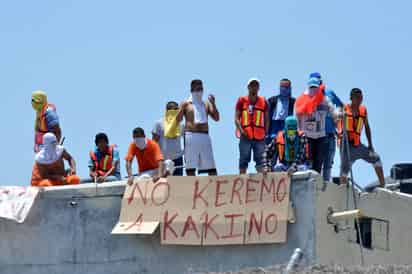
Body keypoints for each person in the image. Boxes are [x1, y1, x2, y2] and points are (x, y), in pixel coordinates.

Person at [340, 88, 385, 187]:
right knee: (344, 172)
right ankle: (342, 191)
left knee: (376, 159)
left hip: (358, 145)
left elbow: (367, 127)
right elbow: (338, 123)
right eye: (358, 97)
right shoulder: (344, 109)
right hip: (347, 147)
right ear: (351, 98)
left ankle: (383, 186)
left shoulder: (363, 110)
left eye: (361, 97)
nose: (360, 99)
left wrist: (370, 144)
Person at [295, 77, 339, 174]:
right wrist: (299, 131)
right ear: (308, 88)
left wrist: (338, 117)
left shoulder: (324, 100)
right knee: (308, 161)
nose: (313, 90)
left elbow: (333, 113)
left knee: (318, 162)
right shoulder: (301, 100)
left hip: (320, 136)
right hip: (307, 136)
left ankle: (316, 184)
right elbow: (297, 116)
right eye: (311, 87)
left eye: (315, 87)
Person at [176, 79, 220, 176]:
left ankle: (214, 187)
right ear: (191, 90)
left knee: (211, 167)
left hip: (204, 136)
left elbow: (216, 118)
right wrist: (181, 109)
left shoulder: (206, 104)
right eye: (197, 89)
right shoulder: (186, 103)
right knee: (190, 167)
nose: (199, 91)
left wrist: (213, 103)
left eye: (201, 88)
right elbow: (177, 120)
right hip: (191, 136)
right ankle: (192, 188)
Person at [309, 72, 343, 183]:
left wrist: (339, 126)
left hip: (330, 133)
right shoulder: (308, 97)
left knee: (328, 163)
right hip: (316, 136)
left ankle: (326, 186)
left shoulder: (329, 93)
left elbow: (341, 107)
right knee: (315, 162)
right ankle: (315, 184)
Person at [235, 78, 269, 174]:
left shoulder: (263, 101)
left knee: (261, 161)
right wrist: (241, 131)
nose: (254, 88)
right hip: (246, 136)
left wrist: (265, 132)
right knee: (243, 160)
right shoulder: (242, 100)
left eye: (256, 86)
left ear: (258, 88)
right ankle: (241, 180)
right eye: (252, 85)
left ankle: (262, 182)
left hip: (259, 137)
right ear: (248, 87)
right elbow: (236, 118)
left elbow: (267, 118)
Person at [152, 101, 184, 176]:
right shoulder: (159, 123)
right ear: (167, 110)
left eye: (176, 110)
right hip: (163, 159)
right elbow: (154, 143)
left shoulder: (181, 124)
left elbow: (186, 140)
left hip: (178, 158)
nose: (174, 112)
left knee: (177, 182)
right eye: (172, 110)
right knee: (163, 182)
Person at [267, 79, 296, 143]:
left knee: (286, 144)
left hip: (287, 125)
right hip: (274, 125)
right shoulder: (272, 100)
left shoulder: (293, 101)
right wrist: (267, 132)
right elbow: (267, 117)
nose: (284, 89)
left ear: (290, 88)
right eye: (282, 87)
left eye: (286, 87)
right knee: (272, 144)